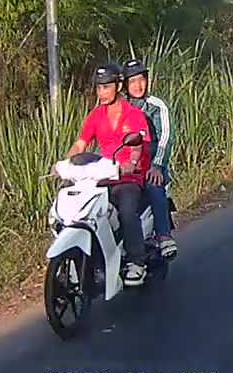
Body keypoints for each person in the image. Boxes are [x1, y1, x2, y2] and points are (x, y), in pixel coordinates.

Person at [62, 64, 153, 286]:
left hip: (128, 178)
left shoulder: (133, 115)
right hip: (102, 176)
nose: (101, 92)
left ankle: (137, 261)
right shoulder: (95, 116)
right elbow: (81, 143)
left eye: (106, 87)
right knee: (80, 211)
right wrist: (66, 163)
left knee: (127, 211)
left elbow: (138, 146)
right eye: (99, 88)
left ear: (118, 87)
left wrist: (131, 164)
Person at [122, 59, 178, 260]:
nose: (138, 85)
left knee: (154, 185)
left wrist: (157, 166)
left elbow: (166, 137)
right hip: (127, 166)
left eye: (141, 79)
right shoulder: (120, 108)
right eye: (132, 81)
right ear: (125, 85)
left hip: (152, 163)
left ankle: (163, 235)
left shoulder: (156, 105)